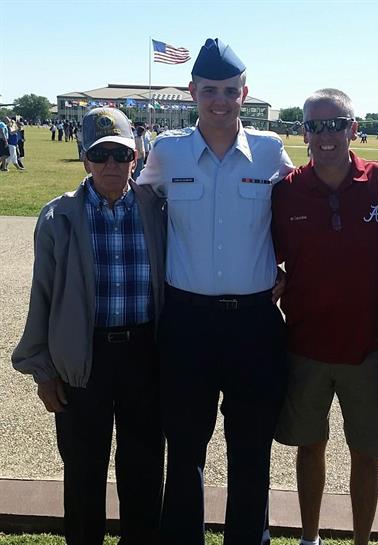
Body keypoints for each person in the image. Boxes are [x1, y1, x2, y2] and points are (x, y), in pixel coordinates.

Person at [137, 37, 293, 545]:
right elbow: (135, 207)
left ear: (244, 93)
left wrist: (294, 269)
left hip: (253, 323)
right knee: (184, 450)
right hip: (187, 322)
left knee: (251, 450)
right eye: (209, 91)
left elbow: (299, 213)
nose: (220, 101)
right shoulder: (167, 151)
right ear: (192, 91)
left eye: (229, 90)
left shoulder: (270, 151)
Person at [12, 107, 166, 545]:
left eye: (120, 154)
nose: (112, 166)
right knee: (83, 468)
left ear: (136, 154)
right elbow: (42, 295)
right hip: (83, 358)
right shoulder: (58, 217)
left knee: (144, 465)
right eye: (101, 157)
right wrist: (43, 370)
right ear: (85, 159)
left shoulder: (157, 209)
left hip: (143, 354)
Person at [273, 89, 378, 545]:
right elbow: (268, 257)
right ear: (303, 131)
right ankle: (310, 537)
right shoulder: (286, 192)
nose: (326, 135)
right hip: (306, 345)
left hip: (368, 348)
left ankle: (362, 540)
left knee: (366, 452)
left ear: (353, 128)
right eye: (316, 126)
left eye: (336, 124)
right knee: (310, 447)